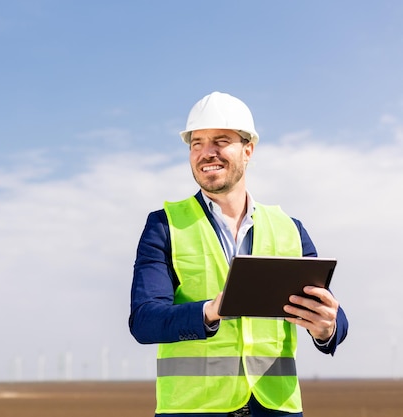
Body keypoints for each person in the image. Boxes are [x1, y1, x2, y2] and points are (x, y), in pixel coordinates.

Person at [128, 91, 348, 417]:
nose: (207, 153)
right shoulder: (164, 226)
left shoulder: (290, 229)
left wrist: (327, 327)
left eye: (220, 140)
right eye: (197, 143)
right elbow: (144, 321)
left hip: (276, 409)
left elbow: (333, 316)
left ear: (248, 150)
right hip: (193, 410)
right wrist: (209, 312)